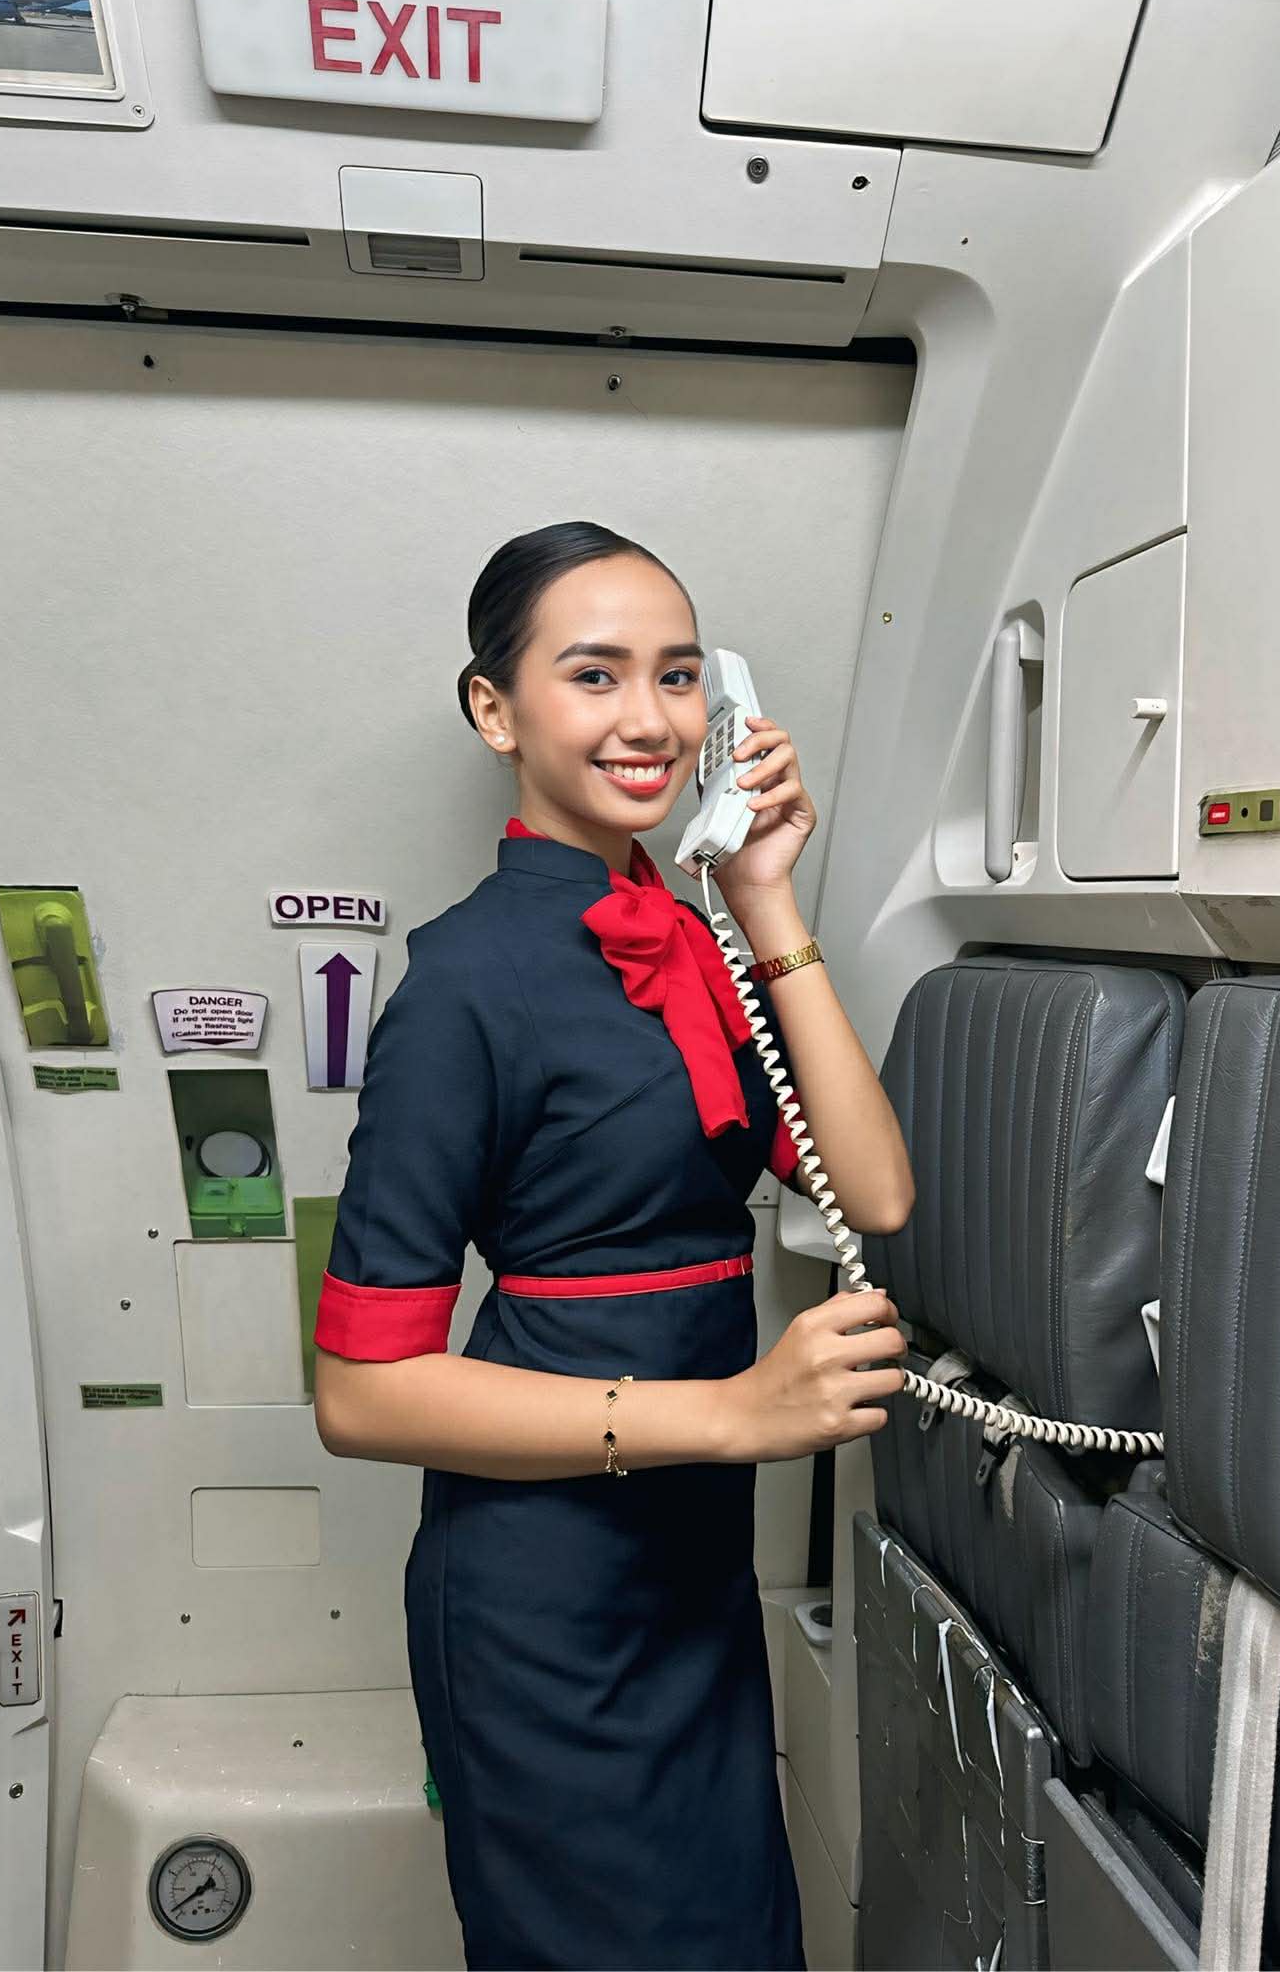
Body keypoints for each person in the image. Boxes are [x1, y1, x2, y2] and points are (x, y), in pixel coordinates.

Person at [312, 520, 915, 1971]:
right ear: (494, 709)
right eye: (593, 675)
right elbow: (361, 1393)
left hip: (687, 1577)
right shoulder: (462, 983)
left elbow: (875, 1191)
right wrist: (730, 1412)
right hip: (542, 1606)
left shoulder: (691, 932)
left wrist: (763, 891)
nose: (651, 720)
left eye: (680, 676)